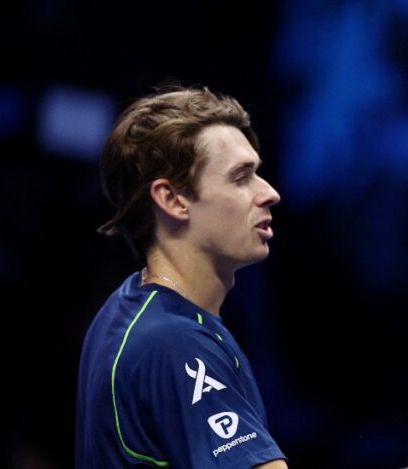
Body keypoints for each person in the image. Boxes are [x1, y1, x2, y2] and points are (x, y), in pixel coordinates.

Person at [75, 86, 288, 468]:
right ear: (173, 199)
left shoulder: (128, 308)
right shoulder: (175, 342)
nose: (269, 193)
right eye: (241, 178)